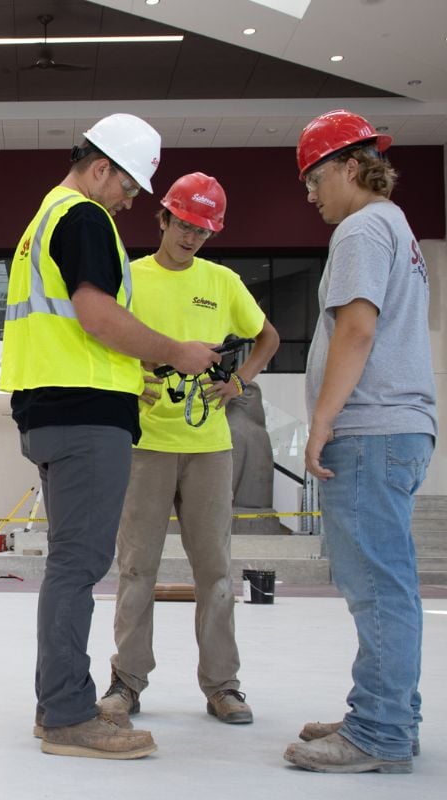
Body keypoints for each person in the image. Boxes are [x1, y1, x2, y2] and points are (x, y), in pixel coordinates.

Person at [0, 113, 221, 760]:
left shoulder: (43, 218)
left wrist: (130, 376)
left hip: (53, 408)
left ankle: (59, 703)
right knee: (78, 564)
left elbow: (71, 326)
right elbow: (97, 315)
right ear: (102, 169)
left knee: (71, 563)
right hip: (82, 418)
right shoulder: (84, 217)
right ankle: (68, 714)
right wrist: (175, 353)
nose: (131, 201)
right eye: (130, 187)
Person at [282, 109, 437, 774]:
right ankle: (390, 712)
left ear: (351, 166)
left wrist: (322, 418)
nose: (310, 193)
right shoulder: (396, 227)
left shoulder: (363, 227)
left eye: (315, 178)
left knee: (376, 585)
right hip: (395, 428)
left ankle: (378, 730)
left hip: (370, 429)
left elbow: (357, 329)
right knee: (382, 580)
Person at [97, 173, 279, 728]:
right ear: (163, 218)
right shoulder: (129, 277)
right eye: (184, 223)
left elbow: (265, 336)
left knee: (216, 573)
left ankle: (223, 686)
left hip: (208, 448)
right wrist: (131, 377)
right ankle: (126, 683)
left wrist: (240, 382)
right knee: (135, 570)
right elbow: (102, 336)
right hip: (147, 444)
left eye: (203, 229)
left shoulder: (222, 282)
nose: (192, 236)